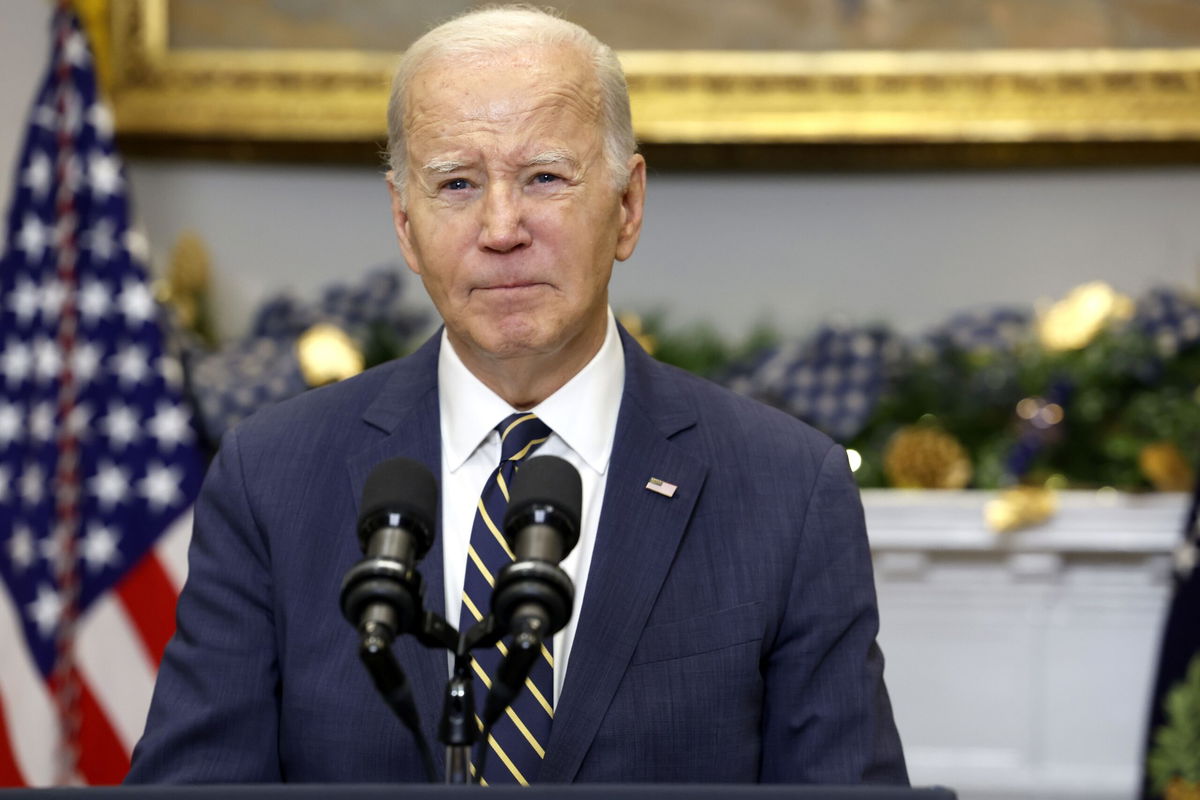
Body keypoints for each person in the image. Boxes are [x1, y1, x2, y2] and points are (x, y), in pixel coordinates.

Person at [127, 5, 907, 785]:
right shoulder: (272, 476)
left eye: (544, 178)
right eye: (457, 184)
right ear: (405, 223)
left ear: (627, 207)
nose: (502, 228)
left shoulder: (786, 488)